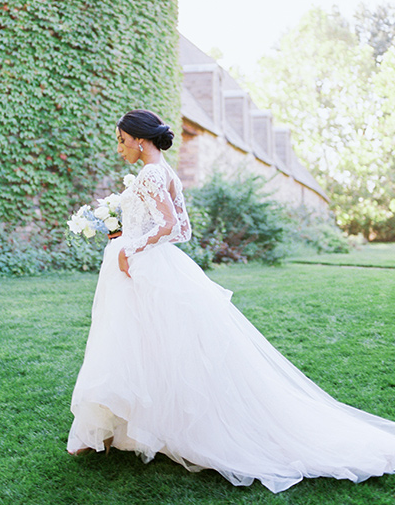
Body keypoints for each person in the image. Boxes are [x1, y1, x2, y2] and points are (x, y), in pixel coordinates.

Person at [67, 109, 395, 493]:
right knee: (147, 346)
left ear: (140, 140)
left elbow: (171, 226)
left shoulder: (151, 173)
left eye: (122, 139)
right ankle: (123, 429)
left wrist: (131, 247)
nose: (119, 147)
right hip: (154, 267)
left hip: (146, 268)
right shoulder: (166, 171)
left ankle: (122, 429)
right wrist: (128, 237)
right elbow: (182, 228)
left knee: (131, 343)